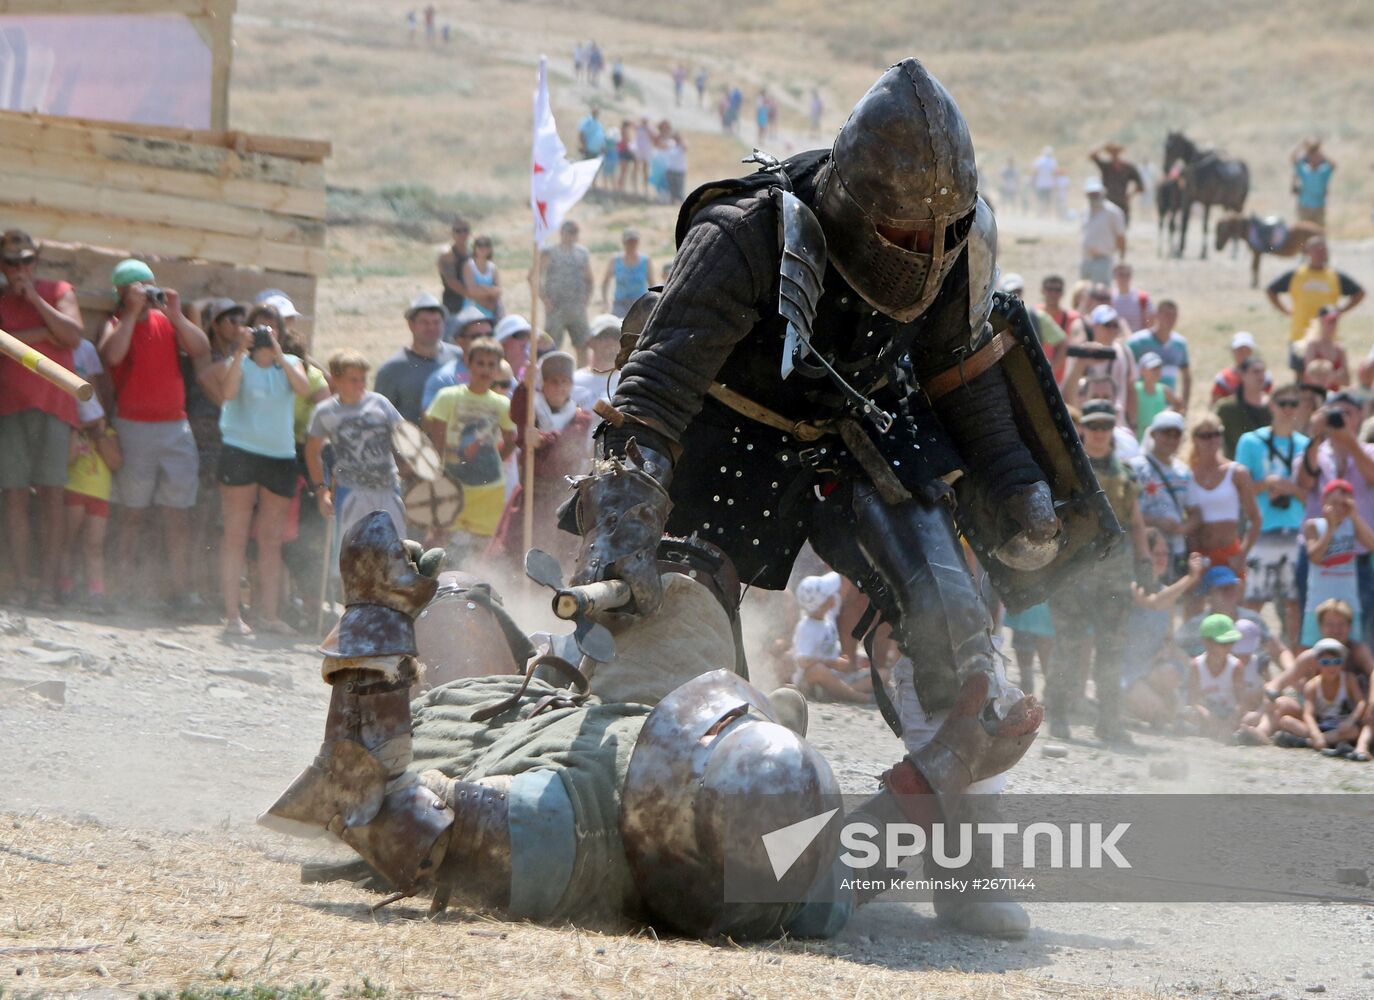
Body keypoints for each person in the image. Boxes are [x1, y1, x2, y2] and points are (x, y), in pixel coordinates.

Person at [571, 59, 1075, 938]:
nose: (923, 252)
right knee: (678, 634)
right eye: (901, 231)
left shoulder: (960, 239)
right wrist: (622, 528)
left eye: (938, 234)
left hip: (860, 431)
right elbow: (650, 394)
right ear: (851, 201)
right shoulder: (743, 234)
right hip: (727, 436)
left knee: (951, 612)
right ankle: (668, 828)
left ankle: (963, 858)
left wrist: (1017, 481)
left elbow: (961, 370)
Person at [99, 260, 210, 612]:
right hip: (134, 427)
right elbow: (111, 355)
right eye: (140, 288)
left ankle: (182, 593)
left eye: (151, 286)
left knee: (178, 515)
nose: (148, 294)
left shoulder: (168, 322)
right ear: (122, 292)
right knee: (131, 513)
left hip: (175, 427)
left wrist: (175, 314)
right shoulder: (116, 324)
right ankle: (121, 591)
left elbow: (200, 349)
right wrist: (131, 313)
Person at [1048, 400, 1149, 745]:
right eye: (1094, 426)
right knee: (1068, 646)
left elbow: (1135, 522)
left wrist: (1145, 560)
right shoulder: (1070, 468)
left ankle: (1109, 722)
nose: (1100, 432)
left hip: (1115, 571)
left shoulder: (1127, 472)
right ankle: (1058, 714)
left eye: (1107, 426)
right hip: (1076, 568)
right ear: (1084, 429)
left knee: (1112, 647)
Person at [209, 322, 312, 636]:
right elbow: (227, 393)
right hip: (240, 452)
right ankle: (232, 616)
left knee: (271, 540)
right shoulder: (236, 362)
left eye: (269, 333)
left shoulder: (291, 364)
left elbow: (304, 390)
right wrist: (241, 350)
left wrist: (280, 355)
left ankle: (268, 615)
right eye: (259, 334)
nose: (265, 340)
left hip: (279, 456)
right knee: (235, 535)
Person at [0, 229, 85, 607]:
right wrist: (44, 336)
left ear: (36, 262)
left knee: (53, 496)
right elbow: (56, 338)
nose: (21, 269)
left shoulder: (57, 290)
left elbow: (71, 335)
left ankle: (49, 588)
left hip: (54, 403)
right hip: (9, 407)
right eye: (13, 263)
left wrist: (32, 301)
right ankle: (20, 585)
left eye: (27, 261)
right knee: (15, 497)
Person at [494, 350, 594, 568]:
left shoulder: (581, 417)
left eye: (564, 382)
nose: (559, 387)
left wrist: (542, 440)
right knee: (516, 548)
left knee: (561, 553)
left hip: (561, 498)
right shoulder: (533, 411)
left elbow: (569, 442)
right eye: (553, 382)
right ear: (544, 385)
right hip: (531, 494)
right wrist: (524, 385)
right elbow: (518, 413)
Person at [424, 337, 516, 564]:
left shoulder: (502, 404)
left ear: (498, 368)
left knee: (483, 546)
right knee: (438, 537)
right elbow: (437, 441)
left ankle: (479, 587)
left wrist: (494, 459)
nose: (485, 369)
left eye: (491, 364)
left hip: (488, 487)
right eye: (480, 363)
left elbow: (512, 439)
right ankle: (427, 585)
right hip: (453, 482)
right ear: (468, 363)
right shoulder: (448, 397)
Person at [1294, 389, 1374, 646]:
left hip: (1357, 555)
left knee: (1359, 632)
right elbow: (1304, 482)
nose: (1340, 418)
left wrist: (1349, 442)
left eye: (1346, 413)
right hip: (1319, 553)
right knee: (1316, 626)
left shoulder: (1369, 451)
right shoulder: (1316, 452)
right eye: (1334, 413)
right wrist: (1316, 435)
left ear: (1360, 416)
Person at [307, 349, 407, 542]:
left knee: (395, 553)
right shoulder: (325, 412)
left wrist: (412, 465)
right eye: (354, 379)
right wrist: (322, 491)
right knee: (355, 554)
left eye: (363, 379)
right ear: (336, 378)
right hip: (352, 492)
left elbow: (405, 437)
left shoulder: (380, 403)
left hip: (388, 488)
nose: (360, 385)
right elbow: (312, 452)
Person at [1236, 384, 1310, 643]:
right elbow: (1239, 488)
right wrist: (1266, 484)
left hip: (1296, 530)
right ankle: (1246, 653)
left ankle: (1293, 654)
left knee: (1294, 603)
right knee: (1253, 601)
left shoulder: (1306, 445)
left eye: (1293, 404)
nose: (1288, 410)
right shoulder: (1251, 442)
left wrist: (1291, 488)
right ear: (1271, 406)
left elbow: (1313, 495)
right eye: (1283, 404)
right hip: (1262, 530)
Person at [59, 395, 122, 614]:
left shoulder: (109, 435)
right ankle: (65, 587)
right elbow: (67, 460)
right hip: (74, 491)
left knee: (94, 546)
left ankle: (96, 594)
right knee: (68, 541)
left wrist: (100, 434)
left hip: (99, 496)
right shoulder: (72, 432)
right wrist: (77, 428)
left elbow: (115, 462)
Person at [1185, 413, 1261, 578]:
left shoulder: (1237, 473)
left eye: (1216, 434)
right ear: (1195, 440)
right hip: (1200, 554)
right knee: (1195, 603)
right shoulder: (1187, 475)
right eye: (1205, 436)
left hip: (1229, 552)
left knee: (1227, 601)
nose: (1212, 440)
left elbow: (1255, 518)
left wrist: (1242, 555)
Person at [1300, 479, 1374, 647]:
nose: (1339, 509)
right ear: (1323, 502)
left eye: (1344, 504)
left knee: (1351, 649)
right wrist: (1330, 528)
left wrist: (1354, 517)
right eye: (1334, 503)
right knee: (1313, 648)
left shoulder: (1352, 525)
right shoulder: (1313, 525)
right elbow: (1315, 557)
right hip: (1318, 602)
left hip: (1348, 602)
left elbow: (1371, 545)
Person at [1266, 238, 1364, 357]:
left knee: (1327, 372)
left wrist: (1342, 311)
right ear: (1307, 252)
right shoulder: (1296, 274)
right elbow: (1271, 290)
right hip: (1300, 334)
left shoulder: (1334, 276)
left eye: (1323, 250)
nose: (1320, 253)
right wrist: (1285, 310)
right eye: (1316, 250)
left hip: (1327, 338)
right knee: (1301, 373)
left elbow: (1359, 293)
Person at [374, 293, 459, 423]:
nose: (431, 327)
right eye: (424, 323)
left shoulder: (460, 357)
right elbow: (381, 416)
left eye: (436, 322)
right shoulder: (392, 369)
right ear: (411, 325)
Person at [1130, 409, 1192, 582]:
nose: (1171, 439)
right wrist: (1157, 522)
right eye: (1166, 433)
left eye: (1176, 435)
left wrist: (1182, 529)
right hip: (1145, 547)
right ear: (1153, 434)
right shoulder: (1136, 468)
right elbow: (1126, 510)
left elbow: (1196, 512)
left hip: (1176, 548)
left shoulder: (1184, 472)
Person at [791, 571, 870, 702]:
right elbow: (802, 661)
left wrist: (841, 661)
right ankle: (854, 696)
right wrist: (832, 662)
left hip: (833, 675)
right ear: (820, 604)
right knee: (817, 670)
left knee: (883, 674)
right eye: (831, 594)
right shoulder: (806, 628)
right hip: (810, 679)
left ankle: (835, 691)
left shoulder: (827, 619)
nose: (836, 595)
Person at [1183, 614, 1251, 739]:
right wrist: (1208, 716)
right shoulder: (1197, 666)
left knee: (1248, 721)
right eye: (1223, 642)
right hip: (1206, 713)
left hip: (1229, 713)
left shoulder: (1236, 667)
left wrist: (1229, 723)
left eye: (1231, 642)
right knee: (1187, 714)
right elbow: (1193, 700)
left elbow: (1241, 703)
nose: (1229, 647)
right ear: (1207, 642)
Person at [540, 220, 594, 363]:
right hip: (556, 308)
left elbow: (589, 278)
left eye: (574, 232)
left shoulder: (582, 253)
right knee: (551, 346)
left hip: (577, 307)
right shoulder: (550, 252)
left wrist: (587, 298)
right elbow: (534, 277)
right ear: (561, 233)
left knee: (583, 344)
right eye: (569, 232)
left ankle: (582, 375)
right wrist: (544, 300)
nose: (572, 236)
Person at [422, 306, 493, 410]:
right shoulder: (443, 380)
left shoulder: (503, 373)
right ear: (459, 340)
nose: (484, 341)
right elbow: (431, 421)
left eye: (489, 335)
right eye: (476, 336)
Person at [997, 273, 1066, 371]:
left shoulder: (1036, 317)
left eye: (1017, 291)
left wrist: (1050, 371)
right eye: (1010, 291)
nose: (1013, 295)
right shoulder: (995, 318)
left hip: (1030, 374)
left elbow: (1062, 342)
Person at [1126, 299, 1189, 405]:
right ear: (1157, 315)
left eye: (1174, 316)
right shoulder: (1137, 342)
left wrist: (1185, 403)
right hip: (1143, 405)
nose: (1170, 319)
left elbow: (1186, 376)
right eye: (1167, 315)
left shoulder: (1180, 344)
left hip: (1169, 406)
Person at [1215, 357, 1272, 458]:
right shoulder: (1227, 408)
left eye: (1263, 372)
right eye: (1256, 372)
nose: (1261, 376)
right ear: (1242, 375)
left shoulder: (1275, 406)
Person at [572, 313, 622, 420]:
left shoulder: (628, 381)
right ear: (590, 341)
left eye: (615, 337)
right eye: (604, 337)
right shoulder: (572, 381)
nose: (611, 342)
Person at [1080, 177, 1125, 284]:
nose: (1094, 197)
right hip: (1086, 259)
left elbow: (1121, 236)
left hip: (1103, 260)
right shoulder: (1085, 212)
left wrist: (1121, 258)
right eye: (1091, 194)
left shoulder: (1113, 212)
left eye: (1096, 194)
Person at [601, 229, 654, 318]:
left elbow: (652, 283)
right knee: (618, 329)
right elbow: (605, 282)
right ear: (624, 242)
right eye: (629, 241)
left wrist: (653, 302)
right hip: (620, 304)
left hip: (640, 304)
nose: (632, 244)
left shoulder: (645, 260)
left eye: (634, 241)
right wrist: (605, 301)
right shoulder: (615, 260)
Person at [1088, 142, 1144, 224]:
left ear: (1119, 152)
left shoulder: (1127, 167)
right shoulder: (1106, 166)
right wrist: (1102, 147)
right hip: (1107, 202)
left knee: (1121, 229)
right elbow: (1092, 156)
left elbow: (1141, 185)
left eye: (1116, 151)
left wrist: (1130, 195)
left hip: (1121, 202)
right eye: (1112, 151)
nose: (1114, 153)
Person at [1039, 274, 1078, 384]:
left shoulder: (1073, 318)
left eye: (1057, 290)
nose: (1053, 294)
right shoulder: (1034, 316)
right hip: (1038, 378)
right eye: (1050, 289)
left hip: (1062, 381)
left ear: (1062, 293)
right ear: (1042, 291)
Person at [1212, 331, 1271, 402]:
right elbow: (1214, 404)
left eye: (1247, 350)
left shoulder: (1264, 376)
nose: (1244, 354)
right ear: (1232, 351)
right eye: (1240, 350)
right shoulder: (1223, 378)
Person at [1298, 305, 1349, 387]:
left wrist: (1325, 374)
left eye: (1335, 321)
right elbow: (1310, 375)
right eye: (1330, 321)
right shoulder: (1312, 345)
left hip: (1334, 395)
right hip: (1315, 393)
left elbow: (1347, 381)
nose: (1334, 325)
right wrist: (1335, 375)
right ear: (1321, 322)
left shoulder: (1339, 348)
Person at [437, 217, 471, 333]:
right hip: (454, 307)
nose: (462, 234)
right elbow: (451, 282)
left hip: (472, 307)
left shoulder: (471, 253)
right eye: (458, 231)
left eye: (465, 230)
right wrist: (475, 295)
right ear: (452, 233)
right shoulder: (447, 254)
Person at [1132, 353, 1179, 439]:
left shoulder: (1164, 390)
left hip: (1157, 439)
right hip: (1137, 438)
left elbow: (1178, 404)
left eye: (1159, 368)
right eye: (1153, 369)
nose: (1157, 372)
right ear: (1142, 371)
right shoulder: (1135, 389)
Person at [1291, 139, 1335, 228]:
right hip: (1304, 207)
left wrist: (1319, 152)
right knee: (1303, 232)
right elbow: (1293, 159)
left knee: (1318, 232)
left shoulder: (1323, 172)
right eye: (1311, 156)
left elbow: (1333, 165)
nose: (1314, 159)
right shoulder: (1304, 170)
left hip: (1319, 207)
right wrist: (1301, 147)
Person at [462, 236, 501, 321]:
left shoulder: (493, 267)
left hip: (490, 311)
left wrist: (481, 287)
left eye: (486, 245)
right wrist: (490, 291)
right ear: (474, 248)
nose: (483, 248)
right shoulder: (469, 266)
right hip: (472, 310)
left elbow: (498, 291)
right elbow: (472, 291)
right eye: (479, 245)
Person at [1109, 262, 1152, 332]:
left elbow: (1150, 322)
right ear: (1114, 276)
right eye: (1121, 275)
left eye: (1127, 275)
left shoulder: (1142, 297)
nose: (1124, 278)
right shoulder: (1109, 297)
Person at [1031, 145, 1057, 216]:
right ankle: (1045, 213)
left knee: (1040, 199)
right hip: (1049, 184)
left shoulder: (1039, 160)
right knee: (1047, 200)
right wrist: (1055, 184)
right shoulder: (1053, 161)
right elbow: (1054, 174)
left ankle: (1039, 212)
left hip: (1039, 184)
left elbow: (1035, 172)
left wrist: (1033, 181)